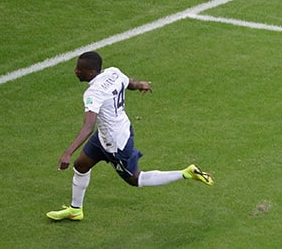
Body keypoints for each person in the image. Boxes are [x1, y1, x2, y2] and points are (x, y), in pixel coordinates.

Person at [46, 51, 213, 222]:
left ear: (90, 73)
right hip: (106, 135)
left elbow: (88, 126)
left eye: (79, 69)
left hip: (115, 143)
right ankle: (75, 210)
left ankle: (186, 173)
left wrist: (68, 152)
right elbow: (129, 83)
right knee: (81, 165)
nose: (75, 71)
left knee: (136, 179)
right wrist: (141, 84)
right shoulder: (113, 72)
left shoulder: (93, 93)